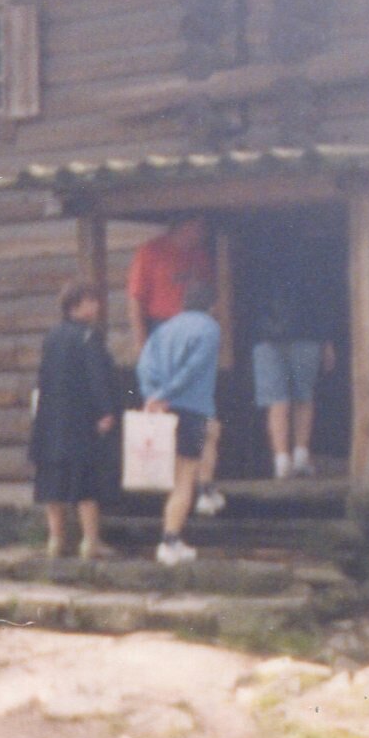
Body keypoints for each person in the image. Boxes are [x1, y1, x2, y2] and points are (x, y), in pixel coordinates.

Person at [127, 217, 225, 516]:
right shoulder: (151, 251)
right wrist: (141, 342)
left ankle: (200, 488)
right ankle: (187, 491)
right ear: (183, 226)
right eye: (199, 228)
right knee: (192, 425)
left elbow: (210, 293)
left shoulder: (200, 256)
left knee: (205, 426)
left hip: (190, 328)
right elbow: (135, 298)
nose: (203, 234)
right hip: (162, 326)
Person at [29, 280, 121, 560]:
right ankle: (90, 541)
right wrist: (106, 410)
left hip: (51, 418)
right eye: (90, 301)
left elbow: (43, 377)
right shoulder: (88, 337)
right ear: (75, 305)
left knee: (54, 479)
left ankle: (55, 541)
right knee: (85, 480)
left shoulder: (52, 336)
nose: (96, 305)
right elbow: (97, 377)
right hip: (81, 419)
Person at [134, 278, 222, 566]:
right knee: (184, 479)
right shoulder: (209, 328)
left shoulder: (164, 329)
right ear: (212, 305)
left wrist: (153, 395)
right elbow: (193, 369)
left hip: (164, 410)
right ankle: (170, 541)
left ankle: (179, 529)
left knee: (179, 470)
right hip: (192, 409)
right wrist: (166, 394)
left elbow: (144, 365)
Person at [250, 244, 335, 480]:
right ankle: (300, 456)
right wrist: (327, 341)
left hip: (266, 340)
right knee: (303, 397)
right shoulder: (314, 266)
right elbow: (322, 304)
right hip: (305, 337)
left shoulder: (257, 265)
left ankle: (281, 461)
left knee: (276, 401)